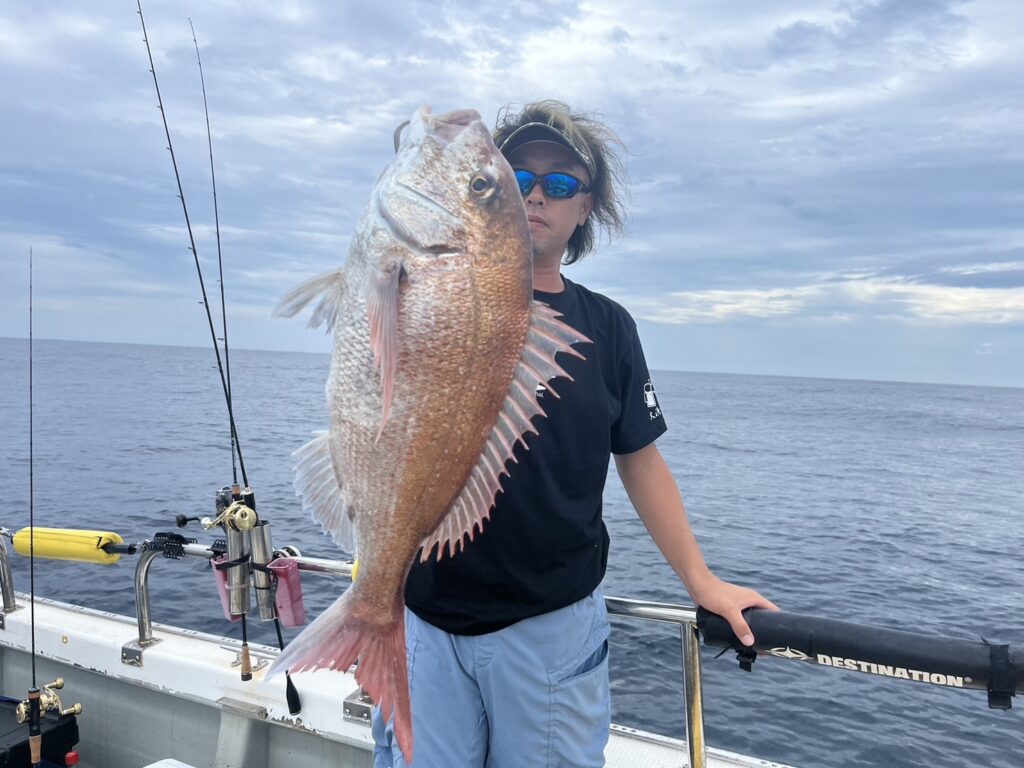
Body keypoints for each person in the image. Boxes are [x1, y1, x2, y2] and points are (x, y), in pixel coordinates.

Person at [372, 100, 777, 768]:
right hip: (424, 616)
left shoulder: (608, 327)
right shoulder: (429, 295)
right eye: (516, 178)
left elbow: (640, 460)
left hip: (550, 627)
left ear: (585, 207)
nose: (536, 195)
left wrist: (700, 580)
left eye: (560, 183)